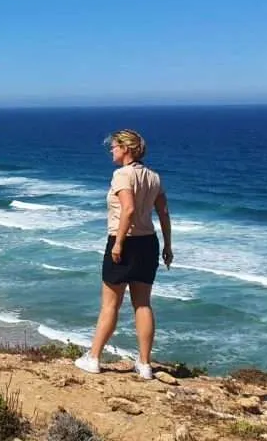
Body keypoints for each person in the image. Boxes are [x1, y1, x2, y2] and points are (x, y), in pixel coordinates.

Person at [75, 129, 173, 379]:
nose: (112, 150)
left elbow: (127, 209)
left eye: (115, 146)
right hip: (148, 243)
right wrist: (167, 246)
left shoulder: (122, 175)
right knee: (143, 303)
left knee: (110, 304)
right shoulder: (153, 176)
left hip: (125, 242)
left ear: (126, 149)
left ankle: (94, 358)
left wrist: (118, 244)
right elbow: (163, 213)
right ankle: (144, 364)